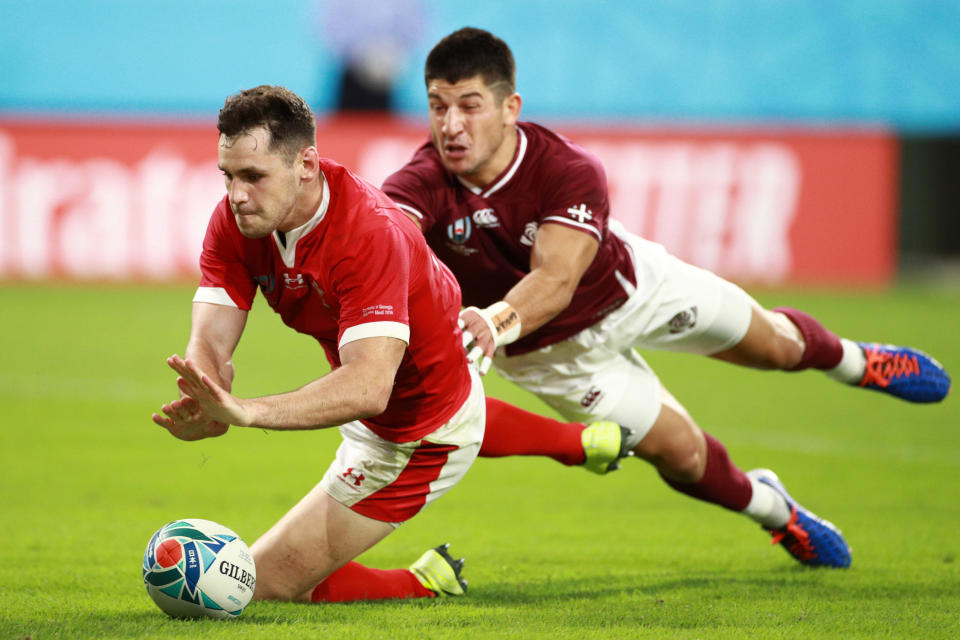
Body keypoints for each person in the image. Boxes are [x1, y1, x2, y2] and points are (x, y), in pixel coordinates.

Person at [382, 27, 952, 569]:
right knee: (681, 456)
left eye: (470, 104)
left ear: (511, 107)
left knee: (774, 347)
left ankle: (859, 363)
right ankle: (776, 510)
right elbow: (384, 237)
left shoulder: (567, 168)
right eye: (438, 105)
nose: (452, 124)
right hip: (551, 358)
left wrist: (496, 318)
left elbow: (556, 279)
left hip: (636, 292)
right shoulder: (418, 184)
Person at [152, 85, 482, 603]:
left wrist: (247, 410)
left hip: (420, 435)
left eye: (253, 176)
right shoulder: (237, 221)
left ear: (306, 164)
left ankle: (421, 584)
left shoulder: (369, 231)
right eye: (228, 175)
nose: (236, 194)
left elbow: (370, 386)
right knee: (254, 583)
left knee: (245, 589)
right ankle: (425, 576)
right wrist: (207, 388)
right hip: (370, 414)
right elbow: (210, 335)